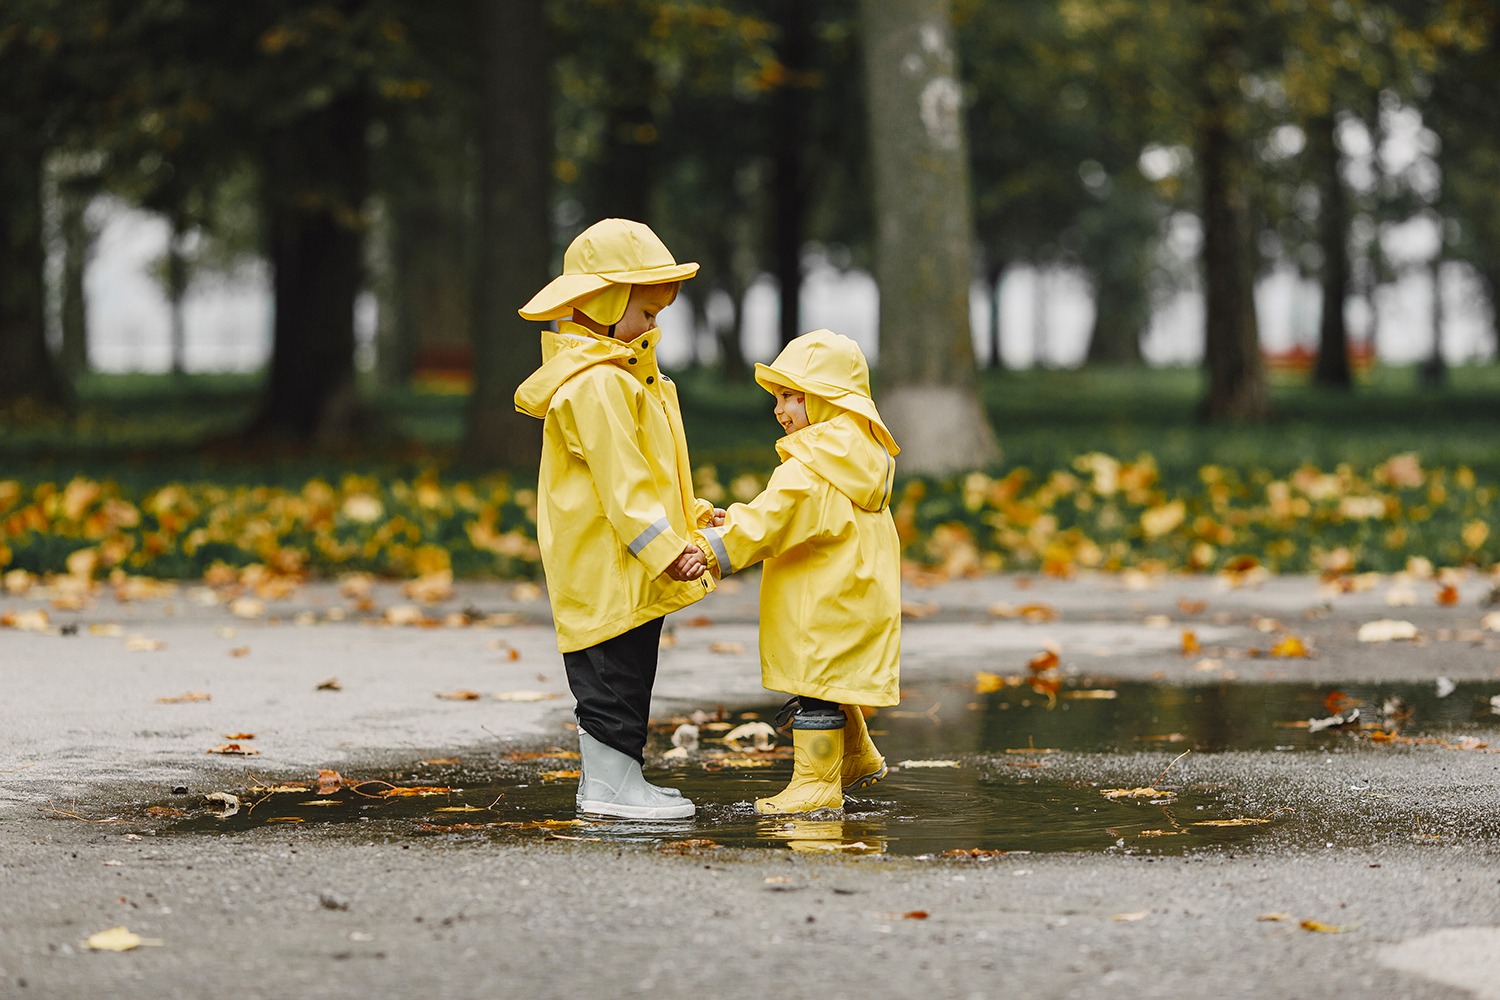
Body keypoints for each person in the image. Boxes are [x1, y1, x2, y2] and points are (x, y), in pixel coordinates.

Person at [514, 218, 721, 821]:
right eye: (648, 312)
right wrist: (667, 549)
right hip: (607, 562)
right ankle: (606, 789)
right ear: (605, 304)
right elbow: (625, 488)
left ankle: (622, 779)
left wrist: (694, 520)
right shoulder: (599, 385)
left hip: (625, 560)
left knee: (628, 672)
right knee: (609, 676)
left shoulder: (625, 379)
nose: (655, 326)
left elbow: (654, 474)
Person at [693, 329, 901, 815]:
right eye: (778, 397)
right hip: (853, 601)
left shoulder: (808, 467)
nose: (779, 409)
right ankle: (854, 756)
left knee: (816, 696)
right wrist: (735, 521)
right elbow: (789, 518)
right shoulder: (857, 460)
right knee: (829, 684)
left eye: (791, 396)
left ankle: (816, 784)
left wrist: (710, 548)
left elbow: (770, 523)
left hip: (820, 606)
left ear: (828, 401)